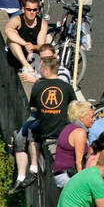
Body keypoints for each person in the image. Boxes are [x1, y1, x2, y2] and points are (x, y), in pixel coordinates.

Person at [9, 54, 76, 193]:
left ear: (46, 70)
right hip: (63, 131)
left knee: (32, 130)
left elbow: (34, 109)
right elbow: (73, 107)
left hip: (46, 131)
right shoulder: (67, 87)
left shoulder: (38, 86)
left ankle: (33, 169)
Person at [53, 100, 96, 189]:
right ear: (81, 118)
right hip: (67, 176)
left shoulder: (70, 127)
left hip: (60, 173)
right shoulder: (80, 132)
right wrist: (82, 183)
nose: (94, 119)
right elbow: (79, 161)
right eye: (92, 117)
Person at [4, 0, 49, 71]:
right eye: (29, 9)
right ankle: (26, 66)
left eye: (34, 10)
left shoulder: (42, 23)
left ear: (38, 10)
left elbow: (41, 45)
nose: (31, 12)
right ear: (23, 9)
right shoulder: (17, 19)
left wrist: (32, 46)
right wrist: (25, 44)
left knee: (48, 51)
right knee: (12, 40)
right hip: (16, 55)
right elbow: (7, 31)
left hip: (32, 55)